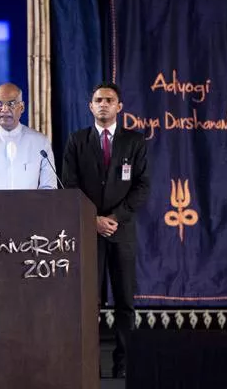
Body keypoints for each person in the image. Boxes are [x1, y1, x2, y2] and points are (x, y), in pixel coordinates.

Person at [61, 82, 150, 378]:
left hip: (121, 232)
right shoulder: (77, 141)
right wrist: (93, 219)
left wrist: (114, 217)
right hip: (89, 234)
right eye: (98, 100)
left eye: (109, 100)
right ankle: (91, 365)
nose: (103, 104)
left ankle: (125, 365)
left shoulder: (135, 142)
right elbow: (69, 185)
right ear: (90, 106)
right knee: (89, 304)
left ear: (119, 106)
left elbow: (142, 187)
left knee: (125, 302)